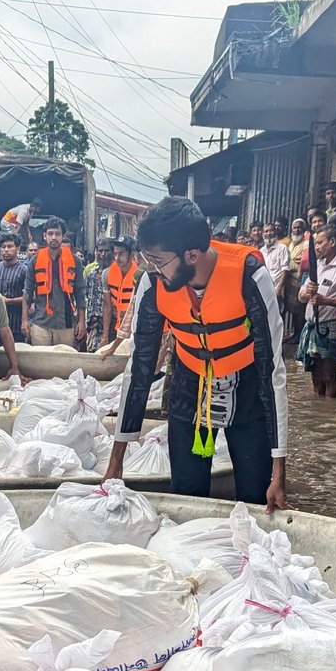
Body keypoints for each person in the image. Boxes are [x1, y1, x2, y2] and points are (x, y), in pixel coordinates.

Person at [101, 196, 286, 512]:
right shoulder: (152, 284)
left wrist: (280, 466)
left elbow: (273, 369)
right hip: (191, 395)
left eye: (158, 261)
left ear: (191, 255)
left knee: (256, 499)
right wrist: (116, 460)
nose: (152, 269)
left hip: (248, 396)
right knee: (187, 496)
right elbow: (141, 366)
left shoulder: (250, 275)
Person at [297, 224, 336, 398]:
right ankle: (319, 413)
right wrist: (307, 291)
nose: (317, 247)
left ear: (332, 242)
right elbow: (301, 297)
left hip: (332, 326)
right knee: (315, 374)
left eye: (320, 242)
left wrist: (326, 301)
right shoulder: (317, 265)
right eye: (316, 243)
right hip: (312, 325)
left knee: (328, 374)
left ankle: (331, 411)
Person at [24, 219, 84, 347]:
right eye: (50, 233)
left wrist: (81, 322)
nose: (54, 237)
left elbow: (80, 293)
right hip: (41, 322)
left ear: (63, 236)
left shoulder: (75, 261)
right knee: (40, 363)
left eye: (57, 234)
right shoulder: (34, 261)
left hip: (66, 323)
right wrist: (25, 320)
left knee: (65, 364)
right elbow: (27, 292)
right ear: (44, 236)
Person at [0, 234, 29, 341]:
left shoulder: (24, 270)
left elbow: (30, 297)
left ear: (18, 249)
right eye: (3, 247)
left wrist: (9, 301)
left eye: (10, 246)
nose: (6, 250)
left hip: (16, 325)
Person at [103, 237, 140, 346]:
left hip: (133, 326)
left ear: (131, 254)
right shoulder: (107, 273)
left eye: (121, 254)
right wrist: (105, 336)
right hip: (114, 325)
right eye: (115, 254)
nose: (117, 258)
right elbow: (107, 306)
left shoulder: (140, 275)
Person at [82, 237, 116, 351]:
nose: (103, 254)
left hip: (111, 325)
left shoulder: (116, 274)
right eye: (100, 251)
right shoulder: (91, 274)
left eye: (106, 251)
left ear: (112, 252)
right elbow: (86, 297)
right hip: (93, 324)